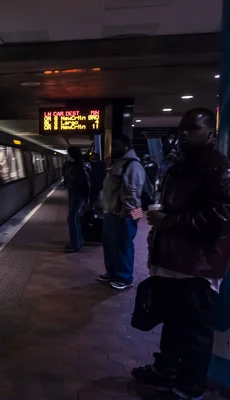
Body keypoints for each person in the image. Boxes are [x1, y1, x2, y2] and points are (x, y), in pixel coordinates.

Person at [132, 108, 230, 400]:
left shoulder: (219, 168)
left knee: (196, 331)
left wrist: (168, 222)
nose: (184, 134)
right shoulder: (183, 166)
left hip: (198, 265)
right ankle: (165, 370)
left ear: (210, 132)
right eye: (182, 129)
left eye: (192, 128)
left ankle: (190, 388)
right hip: (175, 260)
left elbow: (219, 221)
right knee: (174, 320)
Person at [97, 135, 145, 289]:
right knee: (110, 243)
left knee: (124, 244)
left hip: (126, 213)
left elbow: (133, 191)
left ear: (126, 146)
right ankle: (112, 272)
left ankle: (125, 278)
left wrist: (128, 211)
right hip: (112, 211)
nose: (113, 149)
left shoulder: (132, 165)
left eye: (116, 145)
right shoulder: (119, 163)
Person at [63, 146, 90, 253]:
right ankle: (79, 241)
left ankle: (75, 244)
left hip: (77, 195)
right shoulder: (80, 165)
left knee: (72, 218)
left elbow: (82, 184)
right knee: (75, 218)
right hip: (77, 195)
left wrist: (86, 198)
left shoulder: (77, 167)